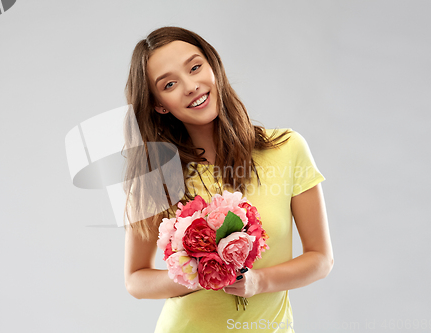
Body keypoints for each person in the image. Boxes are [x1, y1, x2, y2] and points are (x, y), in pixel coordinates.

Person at [123, 26, 334, 333]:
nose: (191, 86)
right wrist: (198, 271)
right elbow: (136, 279)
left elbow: (320, 258)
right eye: (169, 84)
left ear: (213, 66)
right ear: (159, 104)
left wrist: (258, 281)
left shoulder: (288, 148)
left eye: (195, 67)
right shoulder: (156, 174)